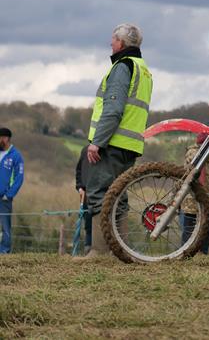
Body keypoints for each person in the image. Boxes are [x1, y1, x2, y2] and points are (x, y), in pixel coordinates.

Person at [82, 23, 153, 258]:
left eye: (112, 40)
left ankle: (99, 252)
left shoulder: (122, 67)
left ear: (121, 43)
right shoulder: (144, 69)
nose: (110, 44)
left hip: (111, 143)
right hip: (129, 146)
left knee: (101, 193)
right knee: (119, 195)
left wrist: (97, 142)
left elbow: (113, 110)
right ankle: (119, 252)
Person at [180, 133, 209, 254]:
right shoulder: (194, 153)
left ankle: (203, 252)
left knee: (205, 229)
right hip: (193, 201)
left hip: (206, 201)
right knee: (190, 230)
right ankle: (186, 252)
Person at [0, 127, 24, 254]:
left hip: (4, 198)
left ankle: (4, 252)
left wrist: (9, 195)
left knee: (5, 227)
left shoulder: (16, 156)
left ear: (5, 138)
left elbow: (19, 178)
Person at [74, 145, 92, 252]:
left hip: (102, 191)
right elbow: (79, 170)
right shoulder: (85, 150)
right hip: (86, 192)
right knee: (88, 220)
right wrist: (79, 186)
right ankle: (88, 246)